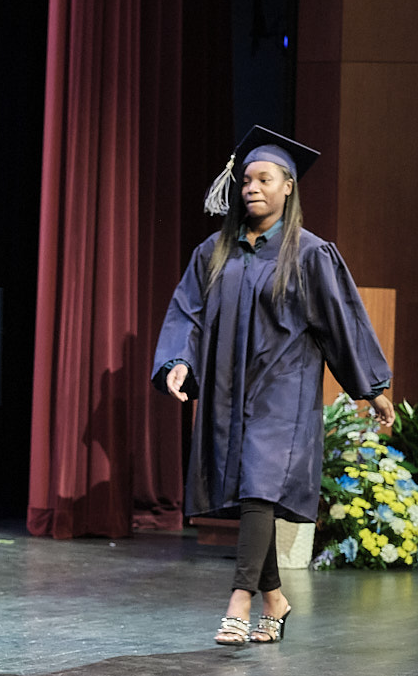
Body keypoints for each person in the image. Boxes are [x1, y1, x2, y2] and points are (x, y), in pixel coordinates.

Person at [152, 126, 394, 647]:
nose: (251, 189)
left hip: (284, 390)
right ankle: (275, 600)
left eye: (264, 179)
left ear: (288, 186)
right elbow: (187, 313)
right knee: (250, 495)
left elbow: (340, 324)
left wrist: (371, 386)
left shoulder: (309, 253)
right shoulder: (215, 252)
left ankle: (239, 600)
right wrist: (178, 361)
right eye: (246, 181)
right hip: (228, 389)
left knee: (260, 486)